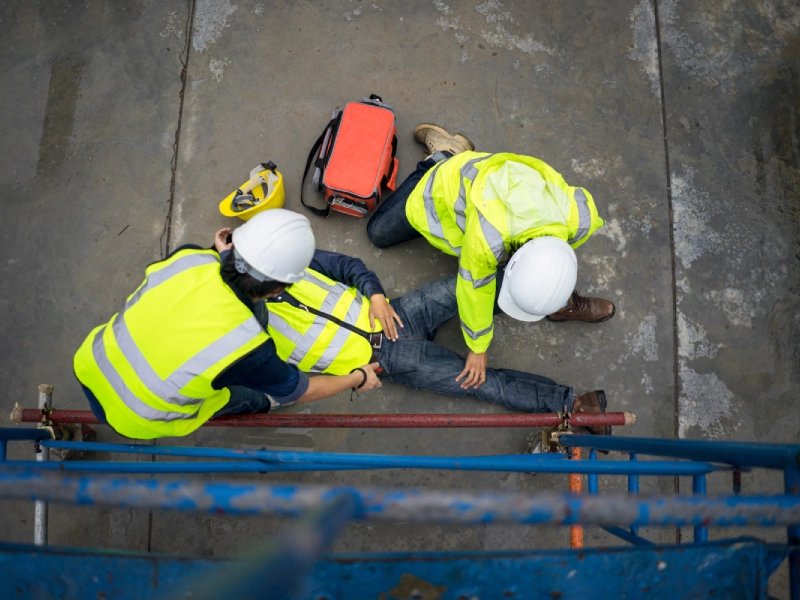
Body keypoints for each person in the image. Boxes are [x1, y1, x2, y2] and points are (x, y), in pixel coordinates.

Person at [73, 209, 382, 440]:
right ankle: (262, 402)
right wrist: (358, 377)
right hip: (138, 415)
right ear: (277, 290)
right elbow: (302, 390)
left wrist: (224, 257)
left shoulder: (190, 257)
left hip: (92, 361)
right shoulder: (249, 345)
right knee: (244, 393)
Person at [367, 124, 616, 391]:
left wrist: (554, 287)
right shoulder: (487, 239)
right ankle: (444, 154)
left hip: (494, 191)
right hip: (443, 188)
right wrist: (478, 348)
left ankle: (561, 303)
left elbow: (556, 259)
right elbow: (474, 290)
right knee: (378, 233)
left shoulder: (581, 218)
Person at [261, 248, 610, 434]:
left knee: (473, 287)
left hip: (396, 312)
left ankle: (554, 300)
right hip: (387, 360)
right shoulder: (247, 342)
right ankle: (576, 405)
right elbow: (291, 389)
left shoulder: (276, 259)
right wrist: (357, 378)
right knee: (484, 383)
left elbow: (346, 265)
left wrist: (377, 295)